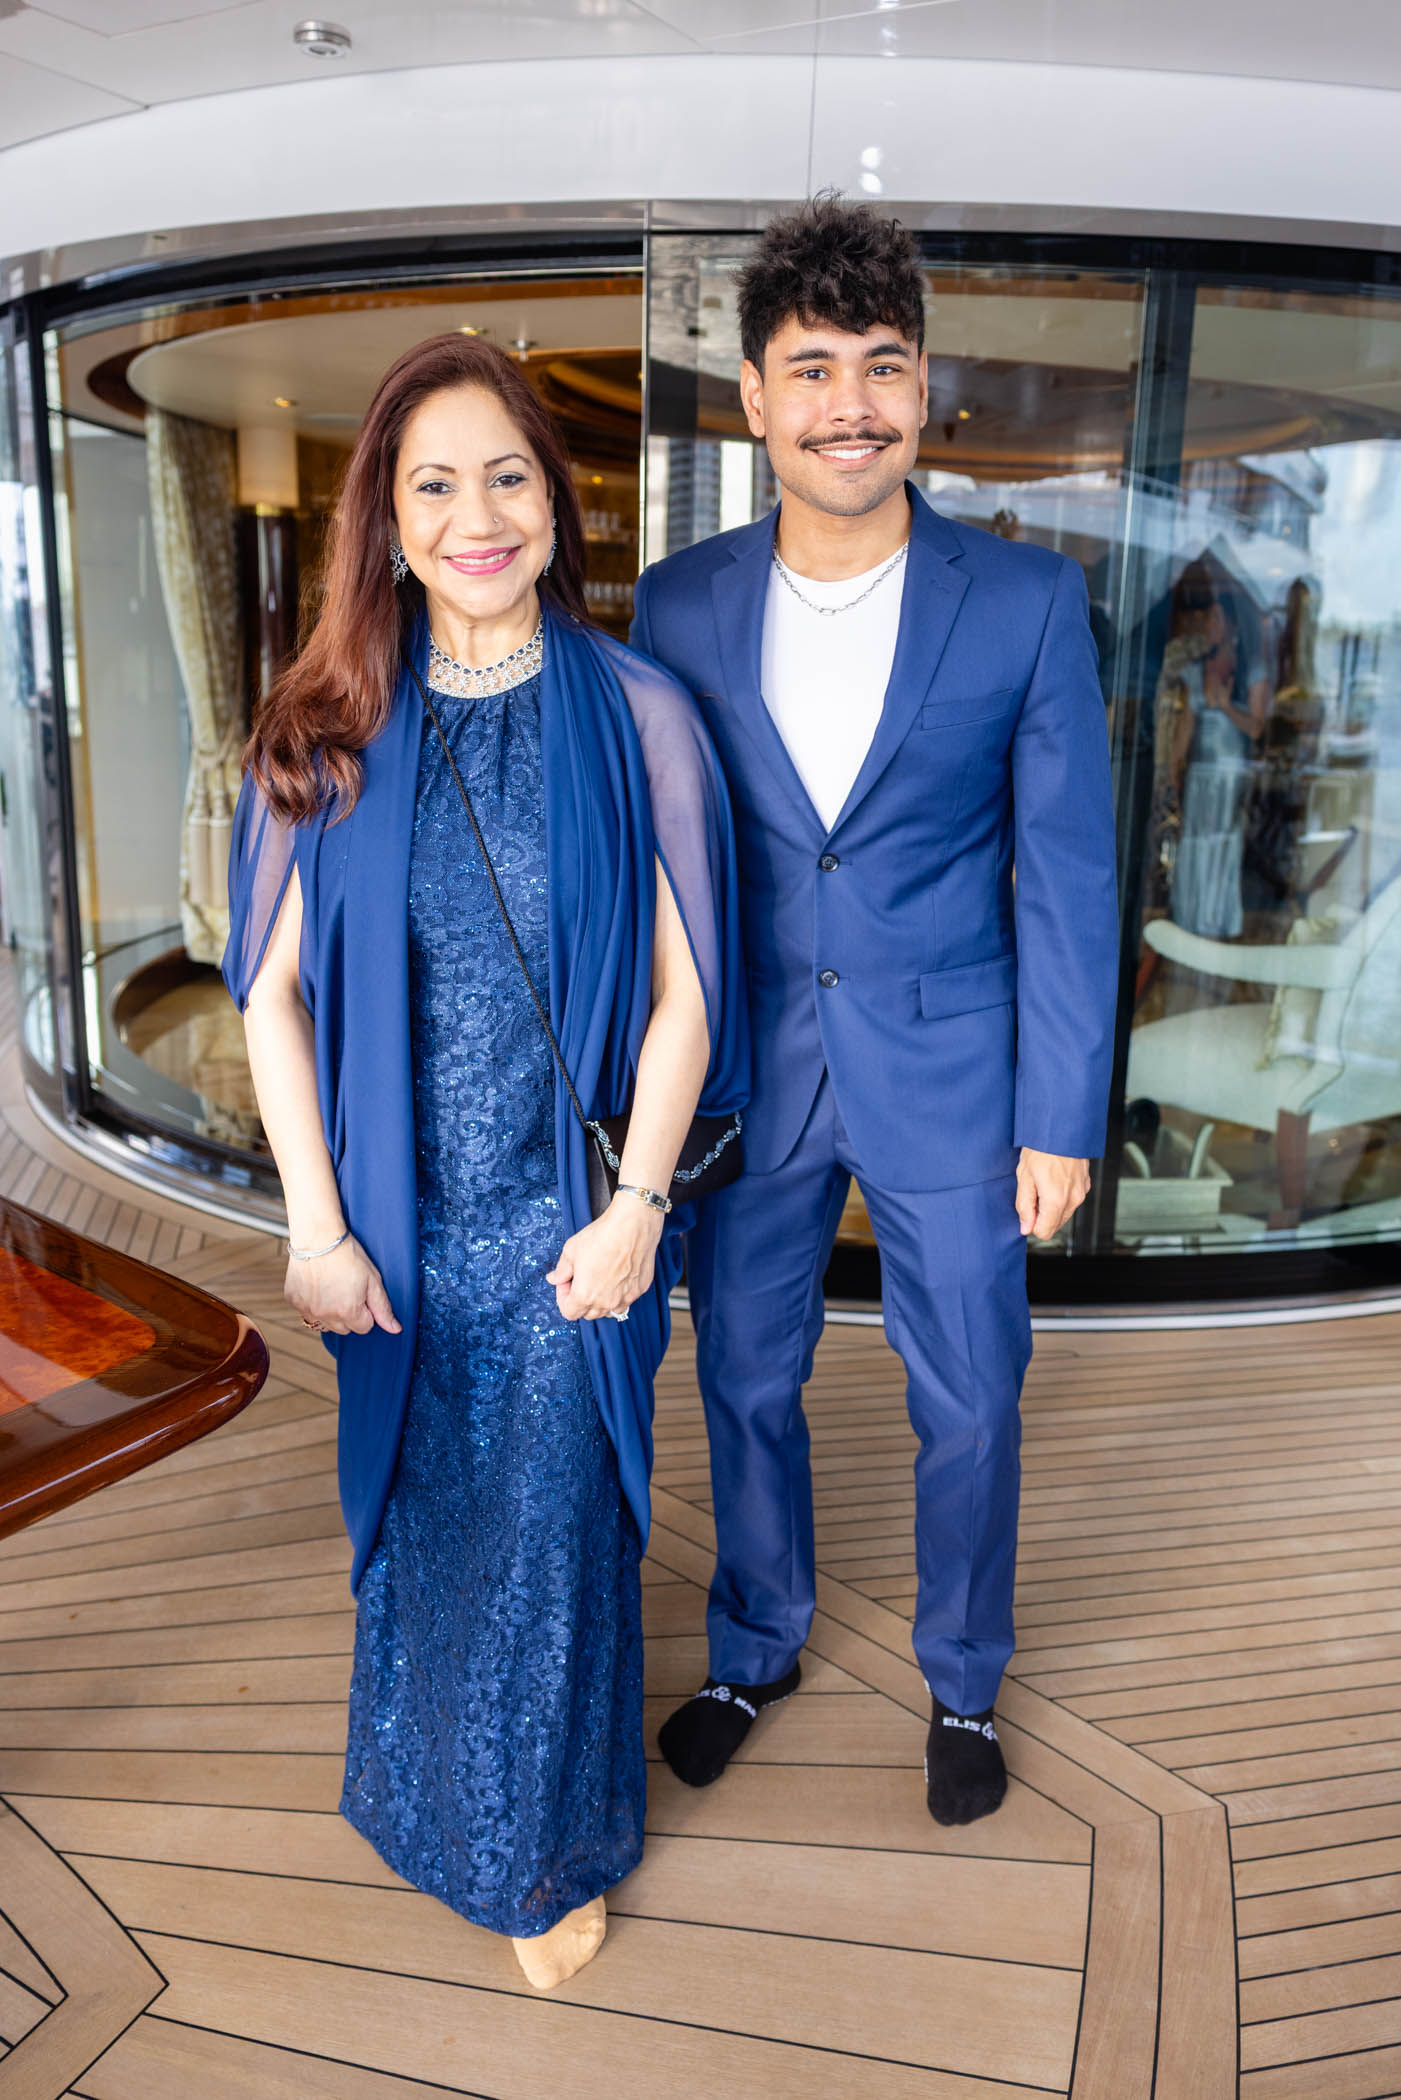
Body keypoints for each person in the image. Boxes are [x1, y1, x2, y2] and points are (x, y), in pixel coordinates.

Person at [222, 333, 747, 1988]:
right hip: (395, 1232)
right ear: (384, 519)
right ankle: (425, 1800)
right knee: (427, 1541)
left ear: (554, 499)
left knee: (552, 1547)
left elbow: (684, 998)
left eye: (507, 477)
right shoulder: (328, 726)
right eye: (434, 484)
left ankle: (537, 1856)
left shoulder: (639, 713)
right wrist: (317, 1229)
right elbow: (271, 998)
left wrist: (638, 1210)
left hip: (567, 1226)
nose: (476, 517)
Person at [631, 198, 1119, 1826]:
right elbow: (658, 865)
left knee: (971, 1395)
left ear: (925, 386)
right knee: (741, 1377)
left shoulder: (1027, 600)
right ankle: (753, 1644)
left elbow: (1065, 875)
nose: (851, 403)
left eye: (883, 364)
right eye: (813, 367)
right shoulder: (679, 603)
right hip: (750, 1072)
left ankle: (963, 1677)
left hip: (958, 1072)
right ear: (753, 397)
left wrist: (1059, 1114)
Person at [1161, 568, 1270, 938]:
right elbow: (1186, 727)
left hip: (1230, 773)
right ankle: (1191, 919)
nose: (1209, 624)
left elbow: (1256, 728)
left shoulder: (1251, 669)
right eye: (1209, 617)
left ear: (1232, 624)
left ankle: (1215, 920)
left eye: (1216, 618)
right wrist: (1173, 768)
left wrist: (1225, 706)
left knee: (1222, 842)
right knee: (1194, 840)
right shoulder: (1196, 670)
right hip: (1201, 774)